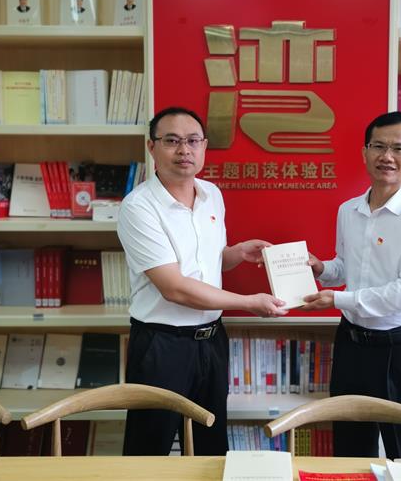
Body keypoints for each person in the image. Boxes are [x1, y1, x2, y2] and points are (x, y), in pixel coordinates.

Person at [117, 106, 287, 456]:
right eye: (172, 141)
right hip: (162, 345)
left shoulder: (212, 194)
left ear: (204, 146)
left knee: (211, 445)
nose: (184, 150)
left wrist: (236, 253)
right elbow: (174, 287)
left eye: (193, 141)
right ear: (152, 147)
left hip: (211, 341)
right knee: (149, 449)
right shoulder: (139, 207)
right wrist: (248, 302)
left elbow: (205, 263)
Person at [303, 111, 401, 460]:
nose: (387, 156)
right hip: (351, 345)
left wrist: (338, 300)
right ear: (365, 152)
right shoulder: (348, 210)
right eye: (378, 146)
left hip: (400, 348)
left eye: (398, 148)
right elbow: (346, 268)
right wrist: (321, 268)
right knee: (350, 449)